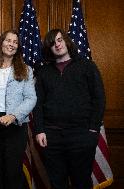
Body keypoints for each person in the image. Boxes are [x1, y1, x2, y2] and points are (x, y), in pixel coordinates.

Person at [33, 29, 105, 189]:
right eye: (52, 43)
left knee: (81, 182)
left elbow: (99, 98)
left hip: (81, 135)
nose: (57, 45)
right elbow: (37, 103)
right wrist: (39, 130)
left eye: (59, 40)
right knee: (57, 183)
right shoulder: (44, 72)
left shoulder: (87, 66)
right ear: (49, 49)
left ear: (66, 41)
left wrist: (93, 129)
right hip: (52, 138)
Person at [0, 30, 37, 189]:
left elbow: (31, 98)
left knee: (12, 171)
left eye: (15, 42)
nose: (11, 44)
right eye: (8, 40)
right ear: (1, 43)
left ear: (18, 47)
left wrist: (13, 115)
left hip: (15, 124)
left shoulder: (26, 70)